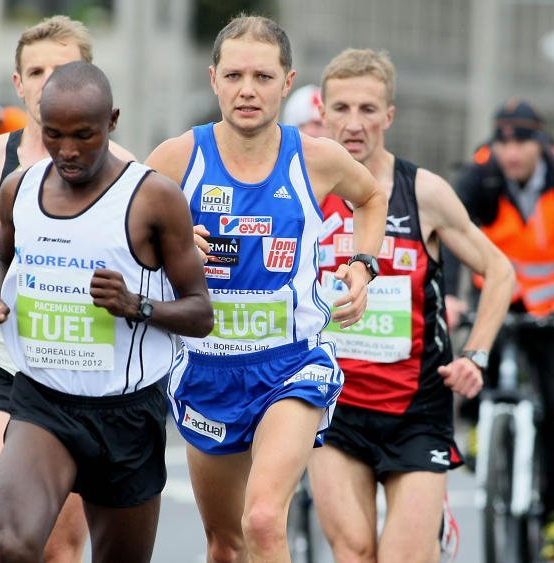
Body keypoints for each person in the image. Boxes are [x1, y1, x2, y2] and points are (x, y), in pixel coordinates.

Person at [146, 16, 388, 561]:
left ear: (287, 82)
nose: (247, 90)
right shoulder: (177, 157)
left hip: (290, 365)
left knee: (262, 519)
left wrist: (362, 264)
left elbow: (371, 197)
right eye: (234, 76)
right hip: (207, 368)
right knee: (225, 545)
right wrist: (172, 248)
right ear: (213, 79)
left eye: (263, 76)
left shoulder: (316, 158)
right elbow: (129, 232)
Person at [0, 60, 213, 563]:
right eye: (54, 134)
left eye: (84, 135)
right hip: (42, 400)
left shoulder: (153, 198)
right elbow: (5, 260)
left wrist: (136, 305)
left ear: (112, 121)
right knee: (14, 545)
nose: (68, 151)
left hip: (127, 411)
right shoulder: (19, 189)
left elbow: (200, 314)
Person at [303, 48, 514, 563]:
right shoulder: (302, 188)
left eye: (368, 109)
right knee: (354, 551)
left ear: (389, 116)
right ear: (323, 111)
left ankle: (429, 527)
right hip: (331, 402)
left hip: (416, 408)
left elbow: (500, 271)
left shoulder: (423, 192)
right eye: (342, 108)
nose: (354, 123)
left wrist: (476, 355)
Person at [0, 15, 135, 562]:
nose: (48, 82)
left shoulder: (128, 171)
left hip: (83, 366)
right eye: (36, 72)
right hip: (7, 357)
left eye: (62, 69)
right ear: (19, 84)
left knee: (60, 544)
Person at [446, 97, 554, 561]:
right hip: (497, 296)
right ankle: (476, 426)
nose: (511, 152)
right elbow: (449, 231)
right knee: (469, 363)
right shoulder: (479, 174)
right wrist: (450, 295)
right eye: (503, 141)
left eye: (522, 141)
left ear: (540, 142)